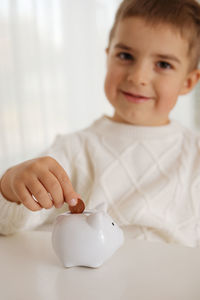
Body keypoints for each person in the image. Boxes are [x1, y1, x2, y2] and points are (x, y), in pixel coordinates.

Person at [0, 0, 200, 247]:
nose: (138, 77)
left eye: (163, 64)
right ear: (108, 57)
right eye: (125, 56)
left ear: (188, 82)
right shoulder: (73, 150)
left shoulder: (195, 154)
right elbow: (6, 223)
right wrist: (10, 185)